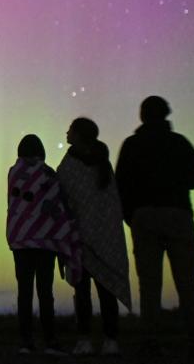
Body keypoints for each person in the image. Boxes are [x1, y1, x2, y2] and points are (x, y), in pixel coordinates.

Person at [115, 96, 194, 359]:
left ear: (143, 116)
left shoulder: (132, 145)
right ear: (166, 115)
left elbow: (119, 185)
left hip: (144, 218)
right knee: (187, 284)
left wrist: (131, 216)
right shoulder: (178, 143)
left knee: (149, 285)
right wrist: (175, 181)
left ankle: (150, 342)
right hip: (178, 215)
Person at [57, 117, 132, 357]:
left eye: (70, 130)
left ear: (79, 135)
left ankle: (101, 340)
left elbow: (107, 202)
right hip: (91, 238)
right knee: (90, 292)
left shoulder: (90, 164)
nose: (67, 133)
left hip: (89, 238)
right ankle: (95, 340)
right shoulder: (82, 164)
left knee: (96, 291)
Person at [6, 134, 82, 356]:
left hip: (20, 240)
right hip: (46, 241)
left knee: (24, 292)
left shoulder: (14, 173)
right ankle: (50, 341)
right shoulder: (48, 174)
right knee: (45, 292)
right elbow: (58, 206)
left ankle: (26, 342)